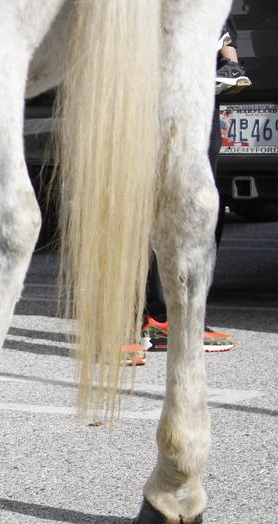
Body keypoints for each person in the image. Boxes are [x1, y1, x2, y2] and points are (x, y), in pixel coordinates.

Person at [138, 18, 246, 360]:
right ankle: (142, 314)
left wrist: (228, 58)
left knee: (197, 197)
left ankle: (169, 316)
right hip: (152, 68)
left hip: (197, 74)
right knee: (149, 192)